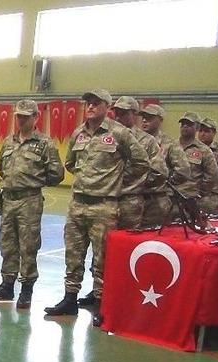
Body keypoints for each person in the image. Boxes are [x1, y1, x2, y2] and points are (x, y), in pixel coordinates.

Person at [44, 89, 150, 325]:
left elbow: (141, 162)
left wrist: (118, 182)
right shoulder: (78, 133)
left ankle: (101, 305)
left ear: (107, 107)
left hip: (104, 206)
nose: (90, 106)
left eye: (96, 103)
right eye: (88, 103)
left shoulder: (119, 133)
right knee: (73, 255)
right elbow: (70, 163)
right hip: (78, 204)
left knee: (102, 260)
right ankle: (69, 298)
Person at [0, 99, 64, 309]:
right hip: (8, 200)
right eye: (18, 116)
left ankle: (26, 289)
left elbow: (57, 174)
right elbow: (0, 166)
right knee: (7, 245)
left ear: (36, 117)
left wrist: (32, 182)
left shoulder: (45, 143)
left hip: (30, 201)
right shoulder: (9, 141)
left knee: (28, 246)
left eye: (25, 116)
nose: (20, 120)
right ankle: (7, 285)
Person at [111, 96, 167, 229]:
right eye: (116, 113)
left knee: (127, 243)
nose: (118, 117)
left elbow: (159, 173)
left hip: (130, 202)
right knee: (104, 245)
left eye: (124, 113)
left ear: (134, 114)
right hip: (105, 201)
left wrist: (138, 185)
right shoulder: (105, 137)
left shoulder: (147, 141)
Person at [140, 104, 195, 226]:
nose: (144, 120)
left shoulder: (169, 143)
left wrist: (165, 182)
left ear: (160, 120)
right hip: (135, 199)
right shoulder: (135, 140)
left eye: (149, 117)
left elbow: (183, 171)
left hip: (156, 202)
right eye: (143, 117)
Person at [177, 112, 218, 214]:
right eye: (183, 124)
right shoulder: (171, 146)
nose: (185, 127)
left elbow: (213, 176)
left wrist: (200, 193)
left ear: (197, 127)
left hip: (193, 200)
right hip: (172, 199)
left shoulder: (203, 150)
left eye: (189, 124)